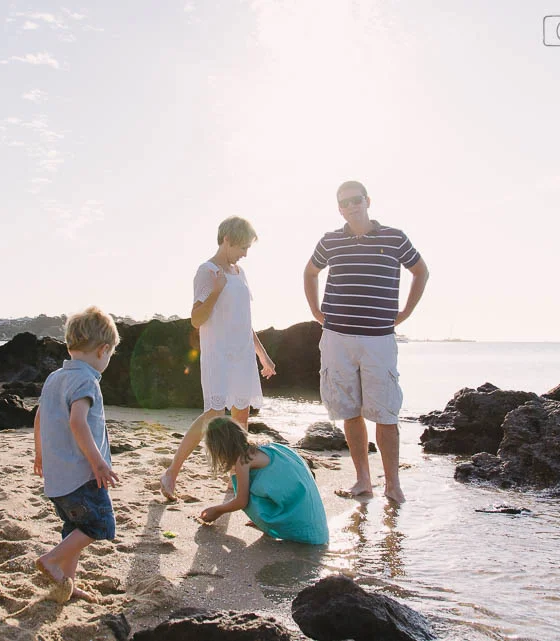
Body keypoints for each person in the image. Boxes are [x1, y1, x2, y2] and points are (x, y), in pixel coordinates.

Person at [303, 180, 429, 504]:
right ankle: (363, 480)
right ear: (339, 208)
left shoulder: (395, 237)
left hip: (378, 339)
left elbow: (421, 271)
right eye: (344, 202)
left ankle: (393, 485)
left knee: (386, 414)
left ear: (368, 201)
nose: (351, 206)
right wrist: (316, 310)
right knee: (349, 410)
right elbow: (310, 273)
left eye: (356, 200)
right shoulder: (330, 241)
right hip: (337, 338)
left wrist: (406, 312)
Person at [160, 216, 276, 500]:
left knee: (241, 416)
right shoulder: (207, 271)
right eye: (243, 246)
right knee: (214, 415)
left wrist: (263, 355)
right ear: (227, 239)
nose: (245, 253)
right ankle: (172, 472)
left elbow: (243, 320)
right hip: (219, 355)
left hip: (242, 354)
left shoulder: (240, 272)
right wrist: (216, 290)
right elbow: (197, 319)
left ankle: (235, 480)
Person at [33, 306, 120, 603]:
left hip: (58, 478)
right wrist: (98, 462)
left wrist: (40, 454)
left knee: (75, 530)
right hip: (82, 476)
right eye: (110, 356)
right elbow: (77, 421)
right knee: (100, 524)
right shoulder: (87, 380)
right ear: (103, 350)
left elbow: (40, 417)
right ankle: (50, 561)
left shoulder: (54, 378)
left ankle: (66, 583)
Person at [199, 417, 329, 545]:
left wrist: (217, 510)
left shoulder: (243, 461)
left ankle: (268, 522)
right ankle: (267, 518)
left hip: (301, 529)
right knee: (253, 480)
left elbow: (241, 501)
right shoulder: (269, 447)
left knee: (241, 486)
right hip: (313, 521)